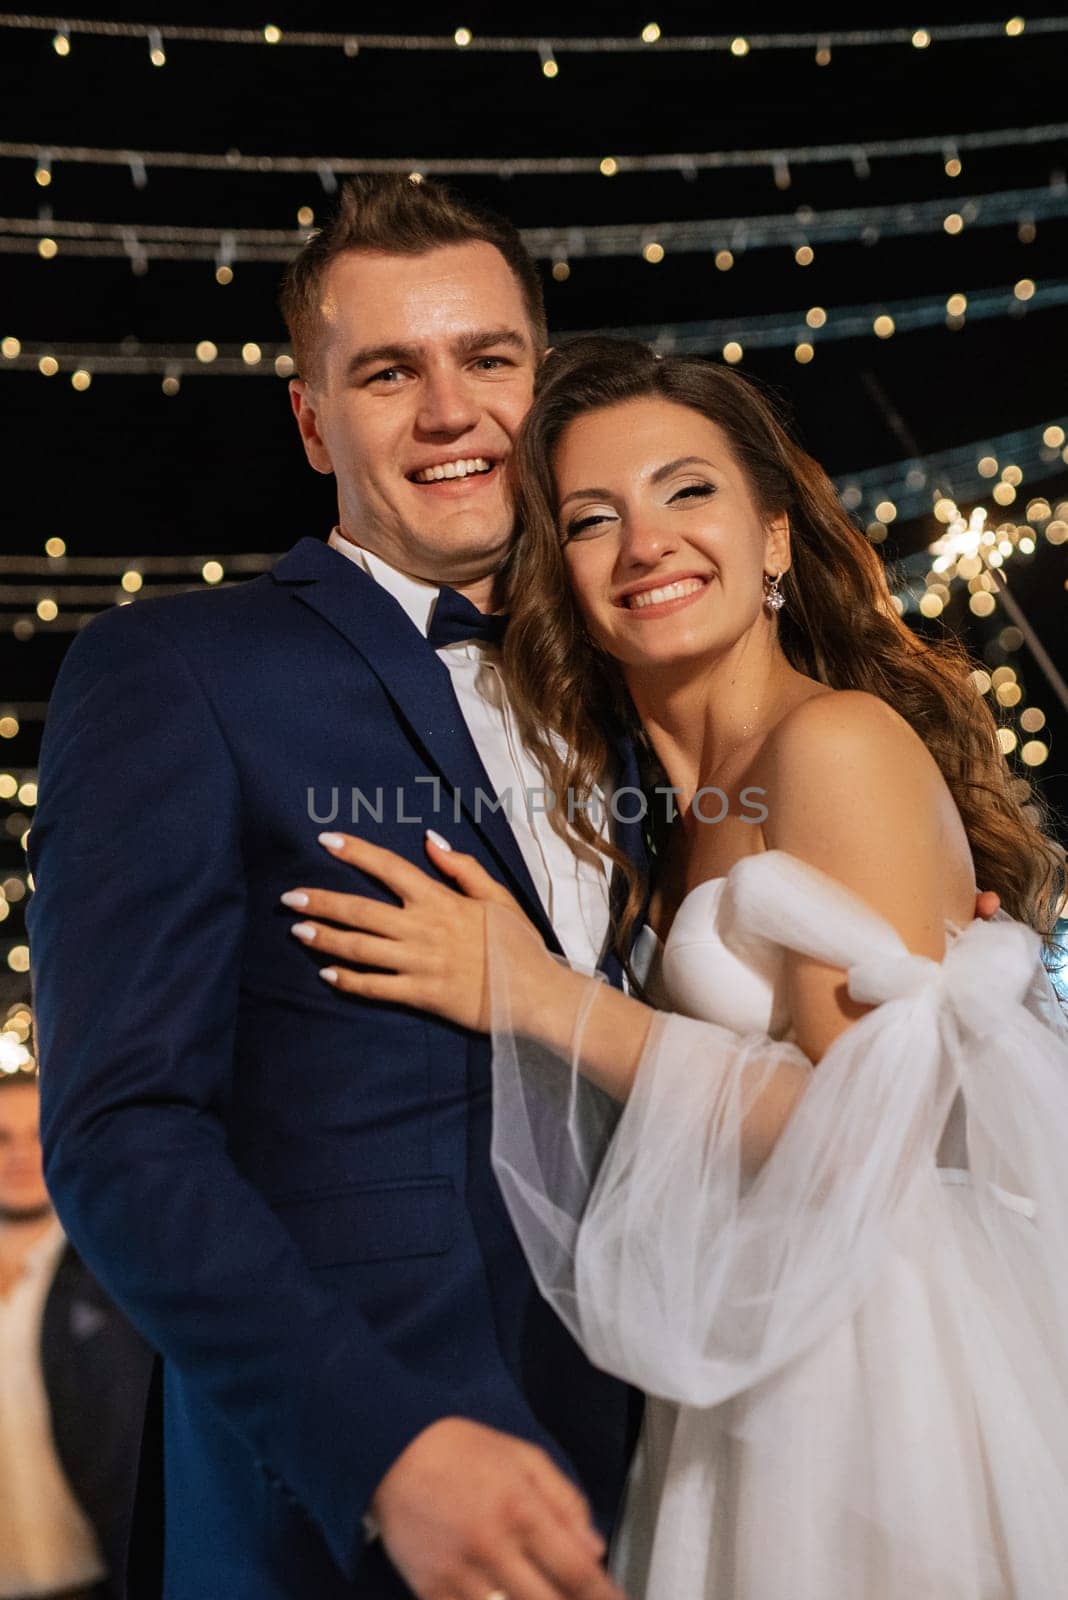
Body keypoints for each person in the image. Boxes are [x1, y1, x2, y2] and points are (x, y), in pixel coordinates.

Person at [282, 337, 1068, 1599]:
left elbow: (869, 1126)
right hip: (755, 1357)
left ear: (771, 538)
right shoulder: (666, 806)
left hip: (880, 1371)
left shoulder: (835, 744)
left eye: (688, 491)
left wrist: (537, 994)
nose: (647, 543)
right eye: (594, 517)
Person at [27, 180, 635, 1600]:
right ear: (313, 422)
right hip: (349, 1517)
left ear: (541, 386)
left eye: (488, 358)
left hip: (674, 1454)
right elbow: (121, 1136)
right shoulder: (172, 671)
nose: (449, 412)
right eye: (387, 371)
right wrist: (381, 1450)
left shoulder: (644, 673)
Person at [0, 1065, 151, 1600]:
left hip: (96, 1582)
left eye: (37, 1134)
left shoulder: (118, 1270)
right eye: (0, 1138)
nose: (19, 1154)